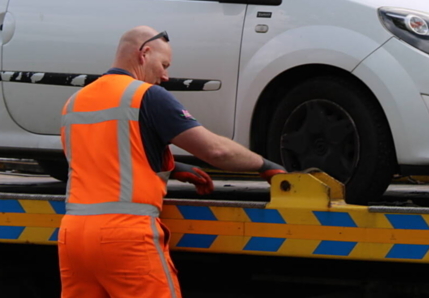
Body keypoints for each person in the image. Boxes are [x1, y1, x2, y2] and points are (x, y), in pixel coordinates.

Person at [58, 25, 286, 298]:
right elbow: (216, 151)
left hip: (73, 235)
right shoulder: (146, 96)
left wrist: (171, 167)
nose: (165, 75)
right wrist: (264, 165)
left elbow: (102, 155)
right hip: (124, 235)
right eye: (164, 64)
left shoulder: (75, 102)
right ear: (144, 53)